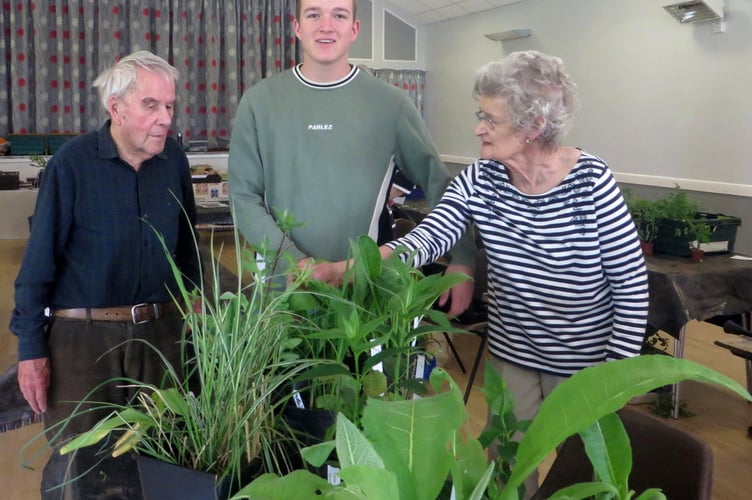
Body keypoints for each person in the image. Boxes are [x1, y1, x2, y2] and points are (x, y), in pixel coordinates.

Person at [304, 50, 650, 496]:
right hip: (514, 356)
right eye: (478, 114)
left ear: (532, 127)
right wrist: (345, 268)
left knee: (582, 480)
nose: (477, 128)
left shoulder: (591, 182)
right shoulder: (482, 179)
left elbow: (631, 286)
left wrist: (614, 374)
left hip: (584, 363)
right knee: (507, 468)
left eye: (490, 119)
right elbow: (426, 239)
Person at [10, 50, 200, 499]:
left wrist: (195, 306)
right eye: (151, 105)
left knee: (162, 458)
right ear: (115, 107)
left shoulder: (173, 159)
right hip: (83, 341)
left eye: (170, 106)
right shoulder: (72, 164)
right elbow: (38, 265)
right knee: (78, 467)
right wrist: (31, 349)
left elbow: (188, 244)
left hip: (161, 335)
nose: (165, 118)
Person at [227, 0, 475, 315]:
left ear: (354, 29)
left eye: (339, 15)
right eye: (314, 14)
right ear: (297, 27)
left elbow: (438, 182)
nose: (326, 25)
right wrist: (294, 259)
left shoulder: (391, 104)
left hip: (364, 288)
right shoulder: (259, 103)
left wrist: (464, 258)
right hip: (283, 288)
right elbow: (243, 198)